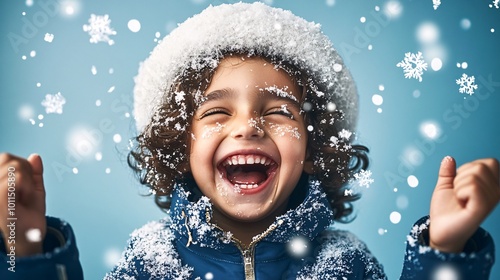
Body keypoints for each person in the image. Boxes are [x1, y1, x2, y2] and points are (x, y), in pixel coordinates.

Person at [1, 2, 499, 279]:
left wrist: (446, 247)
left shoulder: (345, 262)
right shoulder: (148, 260)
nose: (248, 127)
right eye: (217, 111)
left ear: (314, 147)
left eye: (279, 111)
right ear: (182, 144)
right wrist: (28, 247)